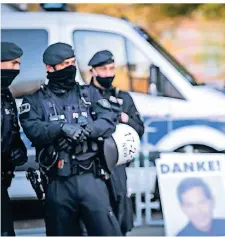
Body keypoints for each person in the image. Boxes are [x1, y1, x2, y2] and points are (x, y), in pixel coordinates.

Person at [19, 42, 122, 236]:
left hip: (91, 178)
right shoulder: (34, 101)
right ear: (50, 68)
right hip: (58, 183)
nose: (71, 68)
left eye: (73, 62)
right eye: (65, 64)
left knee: (107, 231)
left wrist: (86, 130)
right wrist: (62, 129)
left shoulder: (89, 94)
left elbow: (108, 120)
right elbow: (33, 128)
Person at [87, 50, 144, 235]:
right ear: (93, 71)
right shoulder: (84, 96)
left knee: (120, 202)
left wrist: (125, 119)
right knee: (96, 208)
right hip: (91, 161)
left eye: (111, 68)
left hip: (118, 162)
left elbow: (139, 128)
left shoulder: (123, 97)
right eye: (103, 69)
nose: (108, 73)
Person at [1, 42, 28, 236]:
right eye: (13, 63)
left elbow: (10, 127)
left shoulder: (6, 93)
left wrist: (16, 146)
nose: (17, 69)